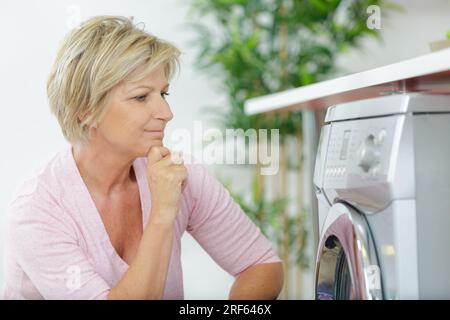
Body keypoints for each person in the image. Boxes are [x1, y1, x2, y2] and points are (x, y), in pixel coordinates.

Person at [3, 15, 283, 300]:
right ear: (86, 109)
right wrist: (162, 212)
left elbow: (261, 265)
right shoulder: (38, 209)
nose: (166, 112)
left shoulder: (179, 173)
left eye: (163, 93)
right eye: (141, 97)